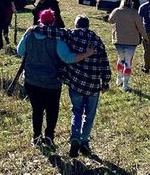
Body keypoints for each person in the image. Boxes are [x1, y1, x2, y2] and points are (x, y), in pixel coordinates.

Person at [32, 15, 111, 158]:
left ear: (76, 25)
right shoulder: (97, 40)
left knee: (77, 111)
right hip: (93, 85)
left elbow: (53, 32)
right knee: (90, 115)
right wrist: (105, 82)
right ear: (88, 25)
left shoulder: (71, 35)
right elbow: (104, 62)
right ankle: (84, 141)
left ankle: (75, 137)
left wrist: (36, 28)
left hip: (76, 83)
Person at [17, 10, 93, 150]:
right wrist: (86, 54)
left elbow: (19, 51)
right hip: (52, 82)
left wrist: (25, 34)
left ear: (40, 21)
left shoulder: (29, 36)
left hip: (31, 81)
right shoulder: (57, 40)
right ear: (53, 22)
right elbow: (68, 58)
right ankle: (49, 136)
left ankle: (36, 136)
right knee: (52, 110)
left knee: (37, 109)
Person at [108, 0, 148, 91]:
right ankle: (125, 84)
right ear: (131, 4)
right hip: (131, 41)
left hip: (119, 40)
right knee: (128, 62)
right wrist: (145, 37)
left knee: (120, 59)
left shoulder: (117, 11)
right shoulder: (134, 13)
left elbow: (110, 20)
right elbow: (140, 27)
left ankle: (119, 78)